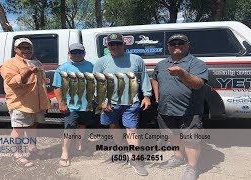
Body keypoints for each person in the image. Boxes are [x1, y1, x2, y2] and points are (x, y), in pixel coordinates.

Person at [93, 33, 152, 176]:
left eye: (118, 43)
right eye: (112, 44)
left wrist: (147, 95)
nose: (115, 46)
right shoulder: (101, 62)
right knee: (113, 126)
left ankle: (136, 159)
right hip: (109, 103)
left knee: (131, 130)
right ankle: (119, 146)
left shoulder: (136, 59)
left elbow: (144, 77)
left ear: (124, 44)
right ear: (107, 46)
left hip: (131, 102)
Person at [151, 34, 208, 180]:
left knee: (191, 140)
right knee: (173, 136)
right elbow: (154, 78)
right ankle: (178, 156)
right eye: (173, 43)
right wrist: (157, 96)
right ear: (168, 46)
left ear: (187, 45)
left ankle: (192, 167)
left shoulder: (196, 63)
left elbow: (198, 84)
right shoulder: (162, 64)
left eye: (180, 43)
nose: (176, 45)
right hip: (165, 109)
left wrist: (182, 73)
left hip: (189, 110)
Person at [0, 38, 50, 167]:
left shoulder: (36, 61)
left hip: (36, 103)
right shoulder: (10, 64)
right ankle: (17, 154)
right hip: (20, 103)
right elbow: (11, 81)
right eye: (22, 48)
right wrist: (28, 71)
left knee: (33, 126)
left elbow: (40, 80)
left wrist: (44, 82)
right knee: (19, 129)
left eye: (28, 48)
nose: (26, 50)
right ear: (16, 50)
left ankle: (32, 148)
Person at [52, 43, 95, 167]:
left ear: (84, 53)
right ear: (69, 54)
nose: (77, 54)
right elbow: (57, 87)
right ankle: (64, 153)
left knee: (82, 125)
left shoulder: (91, 66)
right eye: (74, 52)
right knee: (69, 128)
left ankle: (78, 145)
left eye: (80, 52)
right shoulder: (63, 68)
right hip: (70, 105)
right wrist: (61, 103)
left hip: (87, 105)